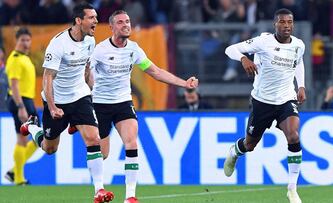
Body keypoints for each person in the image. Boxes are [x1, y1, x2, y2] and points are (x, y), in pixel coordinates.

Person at [88, 10, 198, 203]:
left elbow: (155, 71)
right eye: (120, 22)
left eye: (128, 21)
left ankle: (130, 196)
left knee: (131, 142)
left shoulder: (134, 49)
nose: (126, 25)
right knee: (102, 153)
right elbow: (86, 76)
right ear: (112, 27)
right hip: (100, 104)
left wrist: (184, 84)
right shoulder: (99, 50)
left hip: (123, 102)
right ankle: (99, 190)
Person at [19, 3, 114, 203]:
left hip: (80, 96)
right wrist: (52, 107)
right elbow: (48, 78)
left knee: (93, 139)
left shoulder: (90, 40)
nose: (96, 21)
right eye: (91, 18)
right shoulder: (58, 44)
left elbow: (87, 69)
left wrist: (92, 93)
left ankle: (99, 190)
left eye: (96, 17)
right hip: (58, 101)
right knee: (49, 149)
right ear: (79, 20)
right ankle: (33, 127)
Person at [224, 8, 306, 203]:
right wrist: (244, 58)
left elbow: (299, 62)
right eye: (282, 22)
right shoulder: (263, 42)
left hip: (286, 98)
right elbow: (230, 49)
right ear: (275, 24)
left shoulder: (299, 44)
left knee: (293, 135)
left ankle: (292, 189)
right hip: (262, 101)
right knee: (250, 144)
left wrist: (301, 85)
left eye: (289, 22)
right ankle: (235, 151)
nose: (286, 26)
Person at [4, 28, 38, 185]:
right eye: (22, 40)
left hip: (26, 100)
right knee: (30, 139)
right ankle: (17, 177)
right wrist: (21, 107)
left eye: (28, 40)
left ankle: (14, 172)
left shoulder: (25, 58)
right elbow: (14, 85)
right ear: (16, 41)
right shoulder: (15, 59)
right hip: (20, 101)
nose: (25, 43)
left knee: (32, 139)